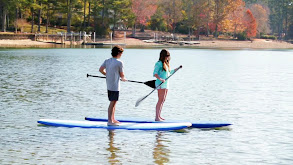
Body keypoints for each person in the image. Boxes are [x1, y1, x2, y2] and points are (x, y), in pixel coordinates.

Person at [99, 45, 127, 126]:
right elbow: (122, 74)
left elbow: (100, 70)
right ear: (118, 53)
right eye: (121, 53)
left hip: (109, 85)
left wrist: (107, 75)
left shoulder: (107, 60)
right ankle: (109, 121)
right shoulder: (119, 62)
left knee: (114, 102)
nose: (121, 55)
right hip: (115, 86)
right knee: (112, 103)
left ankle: (113, 119)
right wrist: (123, 78)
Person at [153, 49, 181, 121]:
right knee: (160, 100)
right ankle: (157, 117)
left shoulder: (166, 64)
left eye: (168, 56)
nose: (168, 57)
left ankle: (159, 116)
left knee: (163, 100)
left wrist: (177, 68)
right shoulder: (158, 63)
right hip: (160, 84)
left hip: (166, 84)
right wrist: (161, 79)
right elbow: (155, 73)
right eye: (167, 56)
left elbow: (169, 72)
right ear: (163, 56)